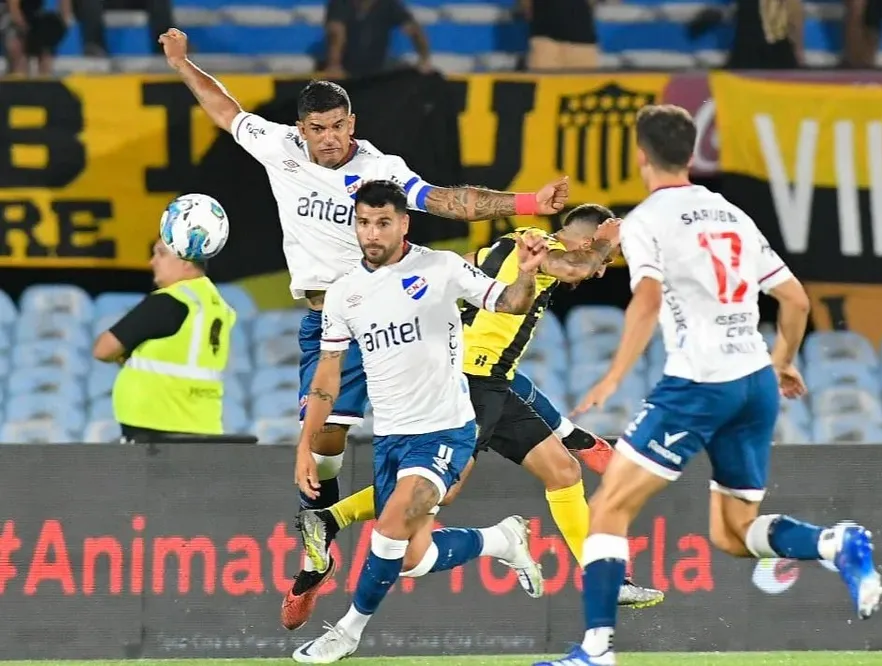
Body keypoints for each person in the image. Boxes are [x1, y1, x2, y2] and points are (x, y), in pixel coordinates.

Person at [158, 26, 570, 631]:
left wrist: (528, 202)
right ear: (302, 130)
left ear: (352, 123)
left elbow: (450, 201)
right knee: (323, 449)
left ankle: (509, 490)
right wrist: (180, 62)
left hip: (399, 319)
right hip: (329, 319)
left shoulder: (381, 172)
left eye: (339, 127)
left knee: (414, 527)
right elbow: (226, 110)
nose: (329, 140)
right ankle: (329, 549)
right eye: (318, 130)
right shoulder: (280, 148)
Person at [537, 105, 882, 666]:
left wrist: (614, 374)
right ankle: (834, 543)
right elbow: (795, 299)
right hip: (754, 383)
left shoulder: (649, 218)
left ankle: (596, 650)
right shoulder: (731, 214)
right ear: (691, 153)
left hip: (699, 384)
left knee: (608, 510)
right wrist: (784, 360)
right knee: (732, 533)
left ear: (640, 155)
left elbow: (646, 300)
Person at [297, 203, 663, 624]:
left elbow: (469, 267)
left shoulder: (511, 243)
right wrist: (607, 241)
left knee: (563, 471)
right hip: (469, 382)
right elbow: (577, 267)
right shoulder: (544, 249)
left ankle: (606, 582)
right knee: (440, 492)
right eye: (604, 257)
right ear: (582, 239)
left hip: (494, 382)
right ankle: (332, 518)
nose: (603, 268)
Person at [290, 180, 545, 663]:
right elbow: (326, 379)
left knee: (387, 530)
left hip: (445, 430)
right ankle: (502, 540)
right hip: (391, 438)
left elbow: (509, 302)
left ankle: (346, 632)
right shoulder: (344, 295)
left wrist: (527, 275)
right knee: (411, 557)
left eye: (383, 223)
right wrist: (306, 445)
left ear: (403, 223)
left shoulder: (441, 268)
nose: (372, 234)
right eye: (363, 223)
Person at [92, 240, 236, 442]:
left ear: (186, 261)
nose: (152, 262)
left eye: (161, 254)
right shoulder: (217, 306)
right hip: (204, 423)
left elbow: (103, 349)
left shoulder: (169, 301)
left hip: (155, 425)